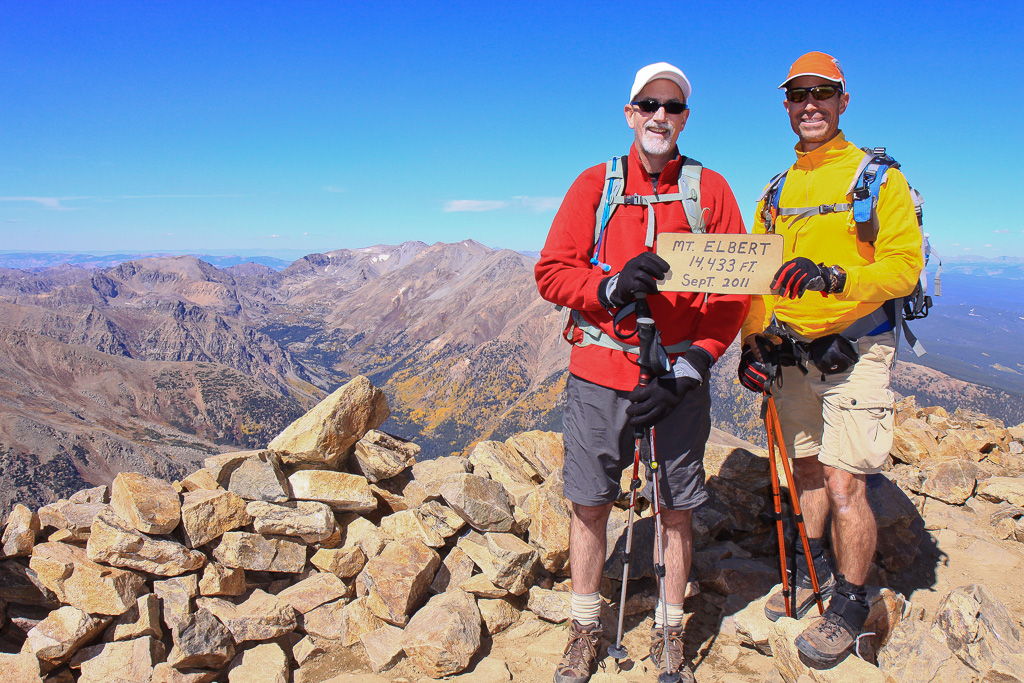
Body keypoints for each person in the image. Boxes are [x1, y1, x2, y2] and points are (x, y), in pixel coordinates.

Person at [535, 62, 749, 683]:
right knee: (590, 502)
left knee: (676, 507)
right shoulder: (593, 186)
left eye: (673, 106)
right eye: (648, 104)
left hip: (678, 375)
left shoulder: (710, 192)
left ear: (685, 118)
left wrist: (695, 364)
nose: (660, 115)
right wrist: (608, 286)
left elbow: (733, 295)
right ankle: (584, 628)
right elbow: (552, 272)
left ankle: (670, 631)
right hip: (601, 370)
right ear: (629, 113)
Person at [738, 51, 923, 667]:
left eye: (823, 93)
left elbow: (904, 266)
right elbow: (760, 276)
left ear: (844, 101)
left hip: (856, 348)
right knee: (808, 470)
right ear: (787, 106)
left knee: (845, 480)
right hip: (791, 352)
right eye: (798, 95)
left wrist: (837, 274)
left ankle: (850, 600)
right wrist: (752, 343)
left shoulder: (876, 179)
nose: (810, 104)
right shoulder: (776, 190)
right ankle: (815, 572)